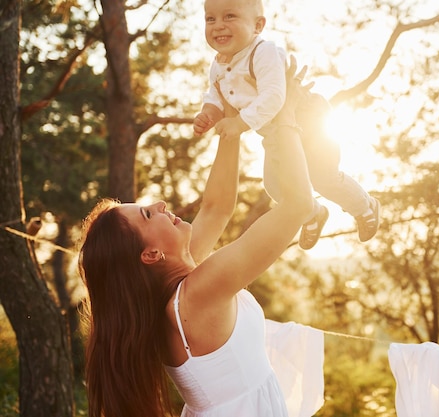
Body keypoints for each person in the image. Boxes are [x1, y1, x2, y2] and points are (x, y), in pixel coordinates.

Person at [79, 59, 314, 417]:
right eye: (146, 214)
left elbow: (218, 207)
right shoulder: (198, 295)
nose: (158, 204)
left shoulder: (173, 293)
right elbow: (298, 206)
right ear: (151, 254)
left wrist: (232, 125)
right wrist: (287, 114)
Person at [193, 0, 380, 250]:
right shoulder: (218, 66)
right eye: (210, 19)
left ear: (258, 25)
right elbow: (215, 96)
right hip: (277, 135)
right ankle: (313, 213)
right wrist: (208, 113)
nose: (218, 26)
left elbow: (274, 96)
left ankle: (365, 206)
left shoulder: (264, 52)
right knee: (274, 186)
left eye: (229, 16)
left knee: (323, 177)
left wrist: (239, 123)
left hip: (308, 123)